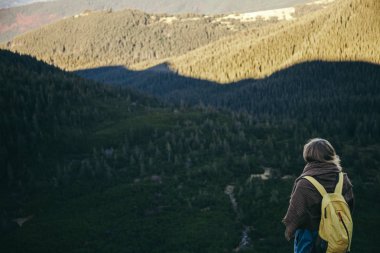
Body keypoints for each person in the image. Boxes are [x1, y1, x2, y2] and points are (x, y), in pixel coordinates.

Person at [282, 138, 354, 253]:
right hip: (336, 235)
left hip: (310, 236)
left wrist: (289, 231)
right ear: (331, 154)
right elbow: (348, 207)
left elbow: (296, 213)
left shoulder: (305, 183)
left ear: (308, 155)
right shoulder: (343, 179)